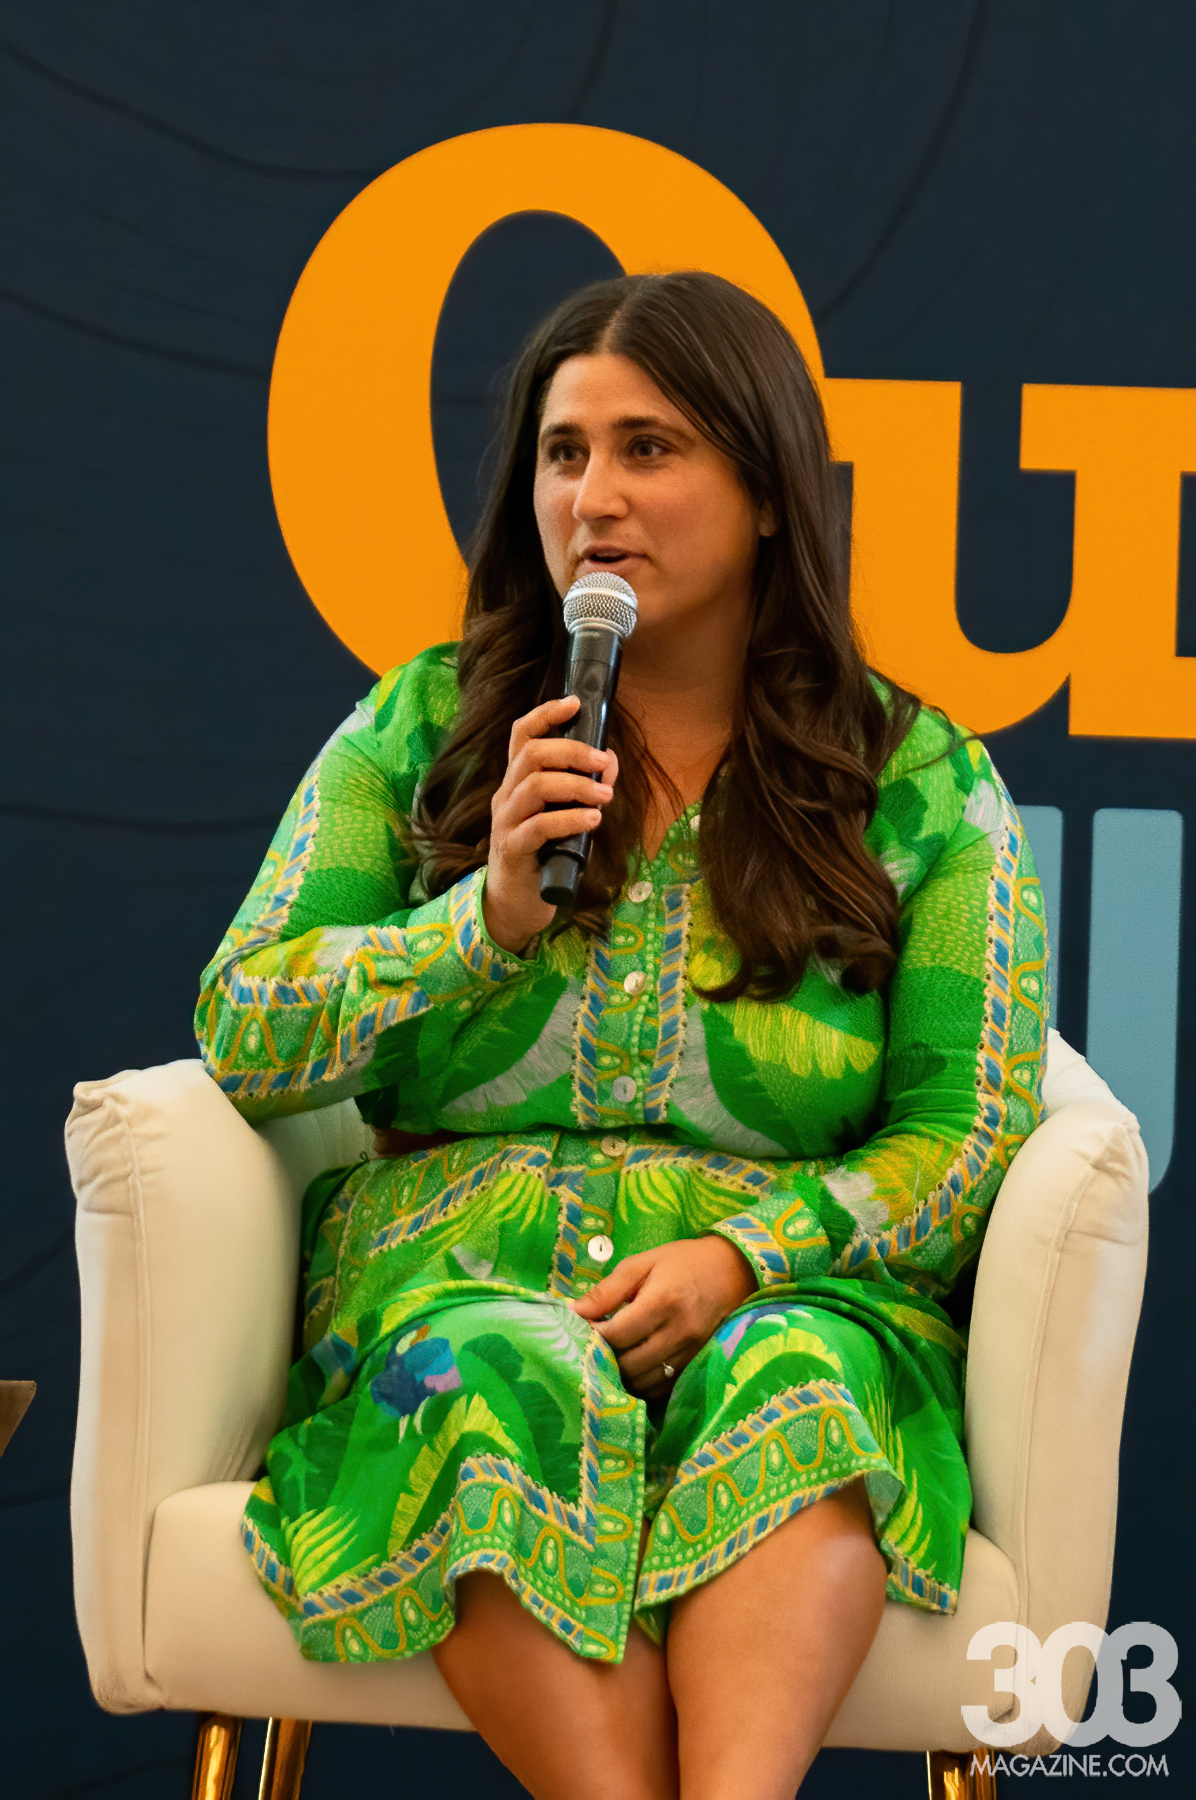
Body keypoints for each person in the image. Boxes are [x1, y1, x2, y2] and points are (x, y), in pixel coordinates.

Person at [196, 270, 1047, 1800]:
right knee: (487, 1374)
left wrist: (750, 1258)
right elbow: (242, 1028)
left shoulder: (915, 777)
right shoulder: (426, 730)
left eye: (650, 449)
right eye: (563, 453)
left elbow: (969, 1125)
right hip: (458, 1290)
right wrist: (478, 921)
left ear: (768, 491)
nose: (594, 498)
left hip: (784, 1288)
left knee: (799, 1384)